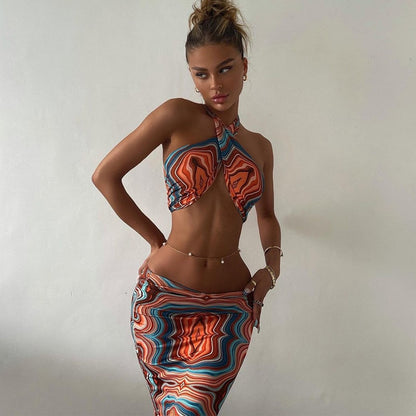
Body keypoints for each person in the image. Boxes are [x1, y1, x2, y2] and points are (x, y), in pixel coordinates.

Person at [92, 0, 282, 414]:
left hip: (229, 309)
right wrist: (155, 240)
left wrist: (271, 270)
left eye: (225, 68)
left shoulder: (261, 148)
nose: (215, 83)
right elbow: (105, 176)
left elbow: (267, 216)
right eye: (202, 74)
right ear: (192, 76)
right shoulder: (176, 116)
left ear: (244, 67)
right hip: (164, 300)